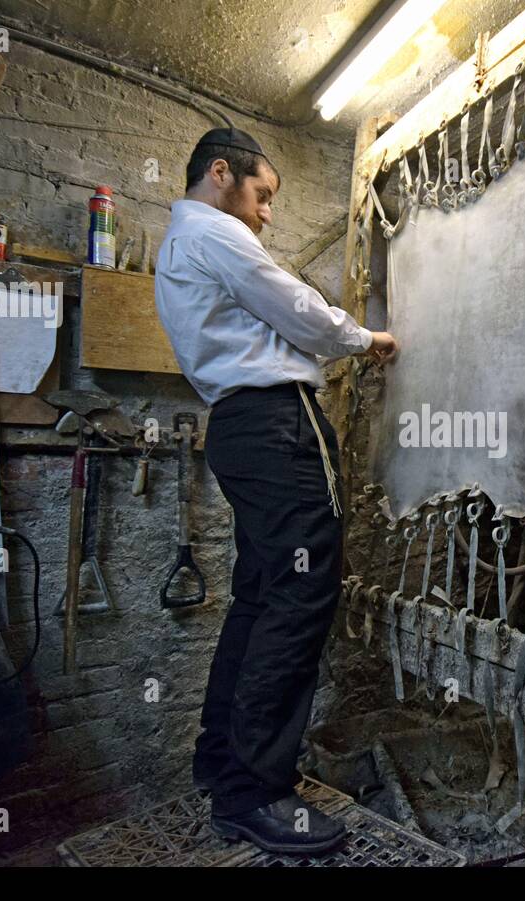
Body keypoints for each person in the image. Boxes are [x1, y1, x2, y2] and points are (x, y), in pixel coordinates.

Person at [154, 127, 398, 855]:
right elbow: (291, 304)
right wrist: (366, 339)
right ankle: (254, 793)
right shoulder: (213, 232)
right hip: (275, 426)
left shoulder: (182, 244)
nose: (265, 214)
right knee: (299, 594)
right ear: (221, 174)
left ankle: (222, 762)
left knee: (263, 593)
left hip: (241, 429)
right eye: (263, 196)